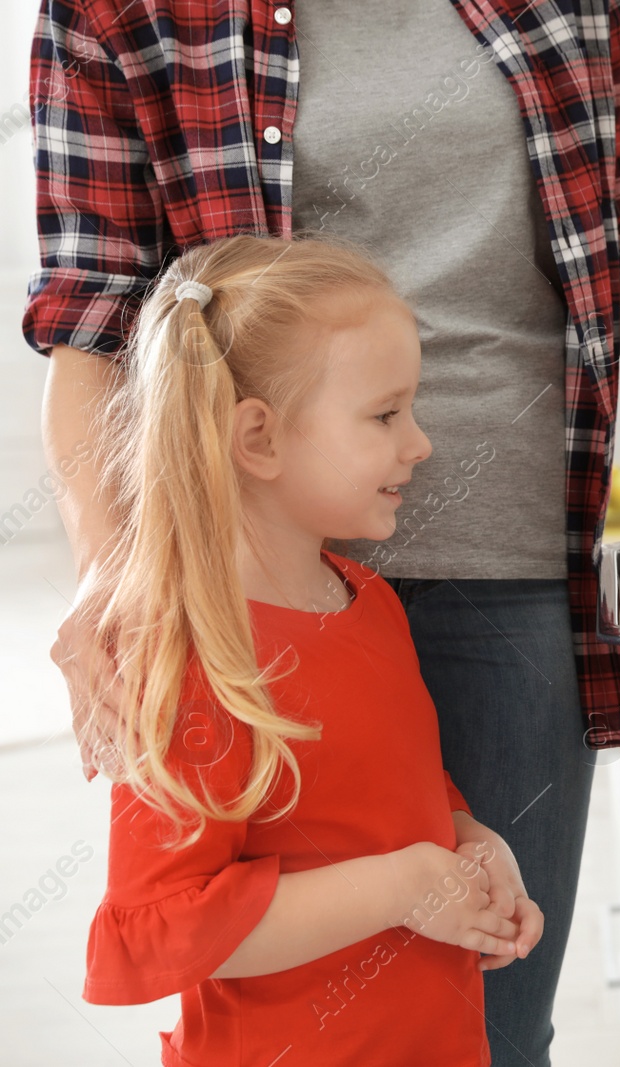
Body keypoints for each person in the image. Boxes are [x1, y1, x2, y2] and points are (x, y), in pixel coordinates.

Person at [29, 3, 620, 1063]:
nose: (419, 441)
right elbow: (95, 310)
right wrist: (112, 576)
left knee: (480, 1017)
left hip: (503, 562)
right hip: (244, 591)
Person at [79, 234, 541, 1066]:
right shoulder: (194, 658)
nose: (420, 443)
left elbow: (391, 790)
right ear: (257, 438)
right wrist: (401, 887)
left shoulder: (369, 603)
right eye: (384, 414)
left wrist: (473, 842)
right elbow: (169, 925)